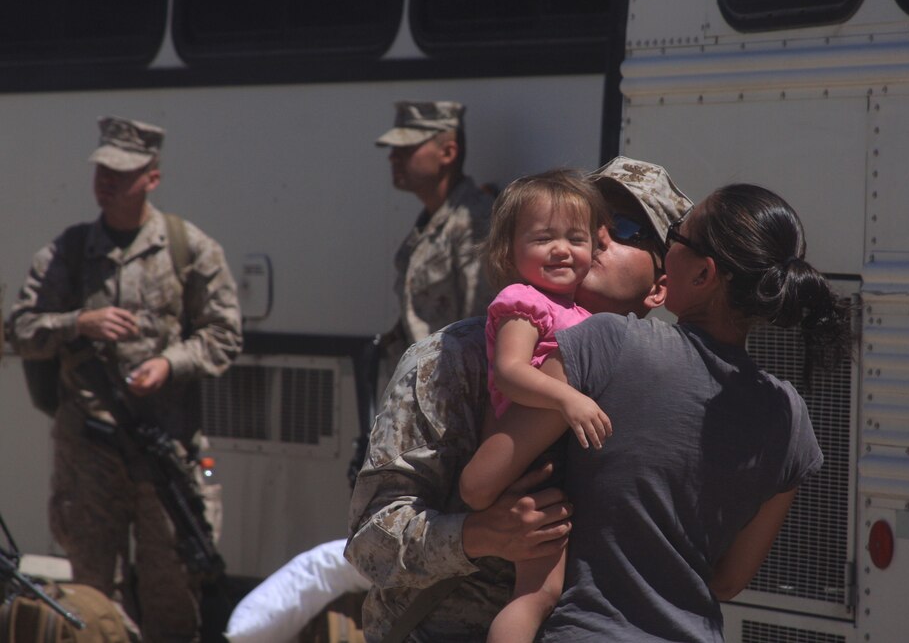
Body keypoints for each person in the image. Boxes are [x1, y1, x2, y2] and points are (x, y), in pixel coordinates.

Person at [473, 182, 853, 642]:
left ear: (702, 275)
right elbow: (729, 581)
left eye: (676, 237)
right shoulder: (790, 418)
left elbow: (480, 482)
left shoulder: (611, 345)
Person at [345, 157, 692, 642]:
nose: (597, 238)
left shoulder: (667, 383)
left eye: (626, 228)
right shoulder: (452, 360)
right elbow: (369, 543)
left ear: (660, 286)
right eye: (591, 221)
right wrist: (482, 534)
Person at [8, 116, 243, 642]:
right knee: (91, 601)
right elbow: (18, 330)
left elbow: (224, 335)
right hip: (87, 457)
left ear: (151, 178)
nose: (106, 180)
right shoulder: (67, 253)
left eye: (121, 171)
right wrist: (77, 323)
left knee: (172, 596)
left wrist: (170, 363)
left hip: (163, 452)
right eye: (102, 169)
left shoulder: (189, 248)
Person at [457, 169, 611, 643]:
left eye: (575, 238)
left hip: (561, 458)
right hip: (529, 460)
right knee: (534, 595)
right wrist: (569, 399)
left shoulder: (583, 312)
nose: (562, 249)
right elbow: (510, 371)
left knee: (552, 591)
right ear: (508, 251)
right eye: (544, 238)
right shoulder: (523, 301)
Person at [374, 100, 495, 393]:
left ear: (448, 153)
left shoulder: (473, 221)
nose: (393, 158)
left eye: (406, 149)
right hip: (422, 387)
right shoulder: (431, 221)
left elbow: (480, 327)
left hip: (450, 392)